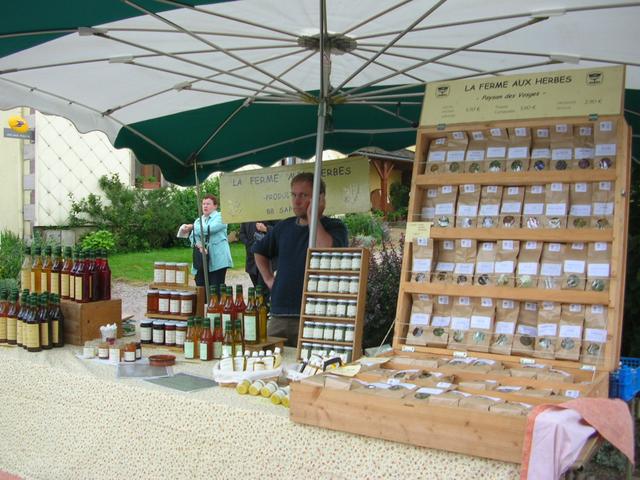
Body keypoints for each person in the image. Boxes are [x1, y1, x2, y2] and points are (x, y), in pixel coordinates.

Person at [252, 172, 348, 347]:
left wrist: (313, 218)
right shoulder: (284, 226)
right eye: (294, 195)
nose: (297, 201)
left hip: (315, 315)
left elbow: (327, 251)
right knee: (270, 359)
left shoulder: (335, 227)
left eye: (303, 195)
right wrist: (269, 279)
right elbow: (259, 251)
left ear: (320, 198)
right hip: (280, 314)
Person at [183, 194, 233, 293]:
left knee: (215, 289)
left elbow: (209, 229)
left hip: (218, 259)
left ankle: (216, 303)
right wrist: (199, 246)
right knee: (200, 287)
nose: (205, 206)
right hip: (201, 259)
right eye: (203, 204)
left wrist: (193, 227)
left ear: (215, 206)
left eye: (208, 204)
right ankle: (204, 303)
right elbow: (193, 236)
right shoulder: (199, 220)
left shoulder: (222, 217)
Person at [239, 220, 276, 290]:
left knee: (263, 288)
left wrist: (266, 229)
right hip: (251, 258)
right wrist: (248, 243)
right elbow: (242, 233)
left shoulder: (270, 215)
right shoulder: (246, 217)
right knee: (257, 288)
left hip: (266, 257)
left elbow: (280, 231)